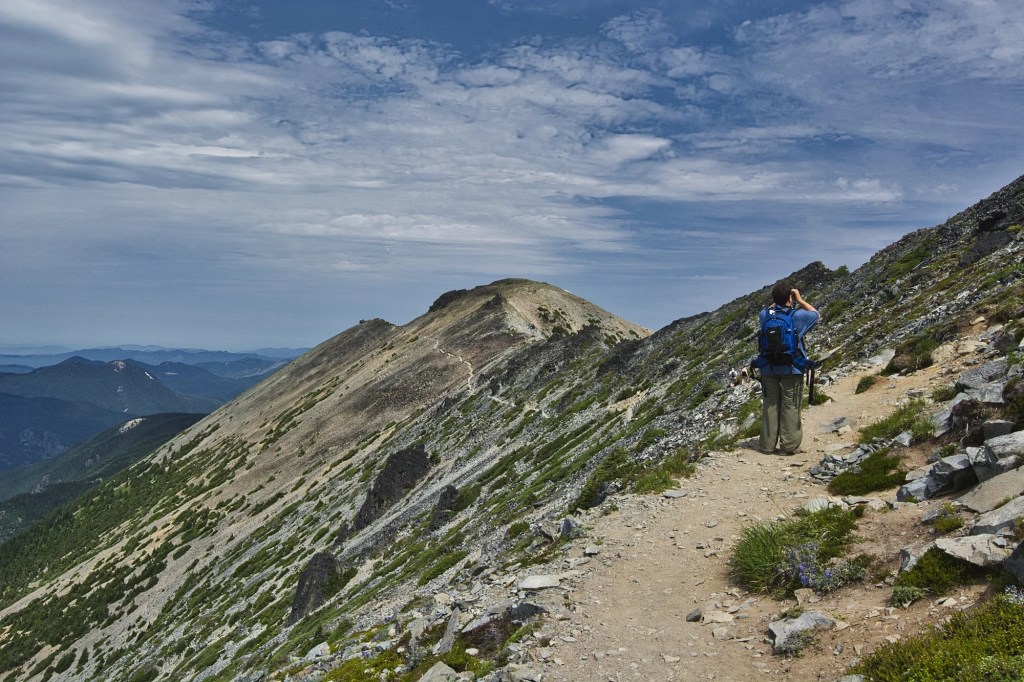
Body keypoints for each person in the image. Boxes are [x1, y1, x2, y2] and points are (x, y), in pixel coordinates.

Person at [756, 282, 819, 455]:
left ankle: (766, 446)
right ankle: (789, 446)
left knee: (770, 405)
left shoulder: (765, 316)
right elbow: (815, 313)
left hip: (768, 368)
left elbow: (769, 309)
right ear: (790, 298)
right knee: (790, 406)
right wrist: (798, 299)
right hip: (791, 369)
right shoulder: (797, 316)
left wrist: (777, 301)